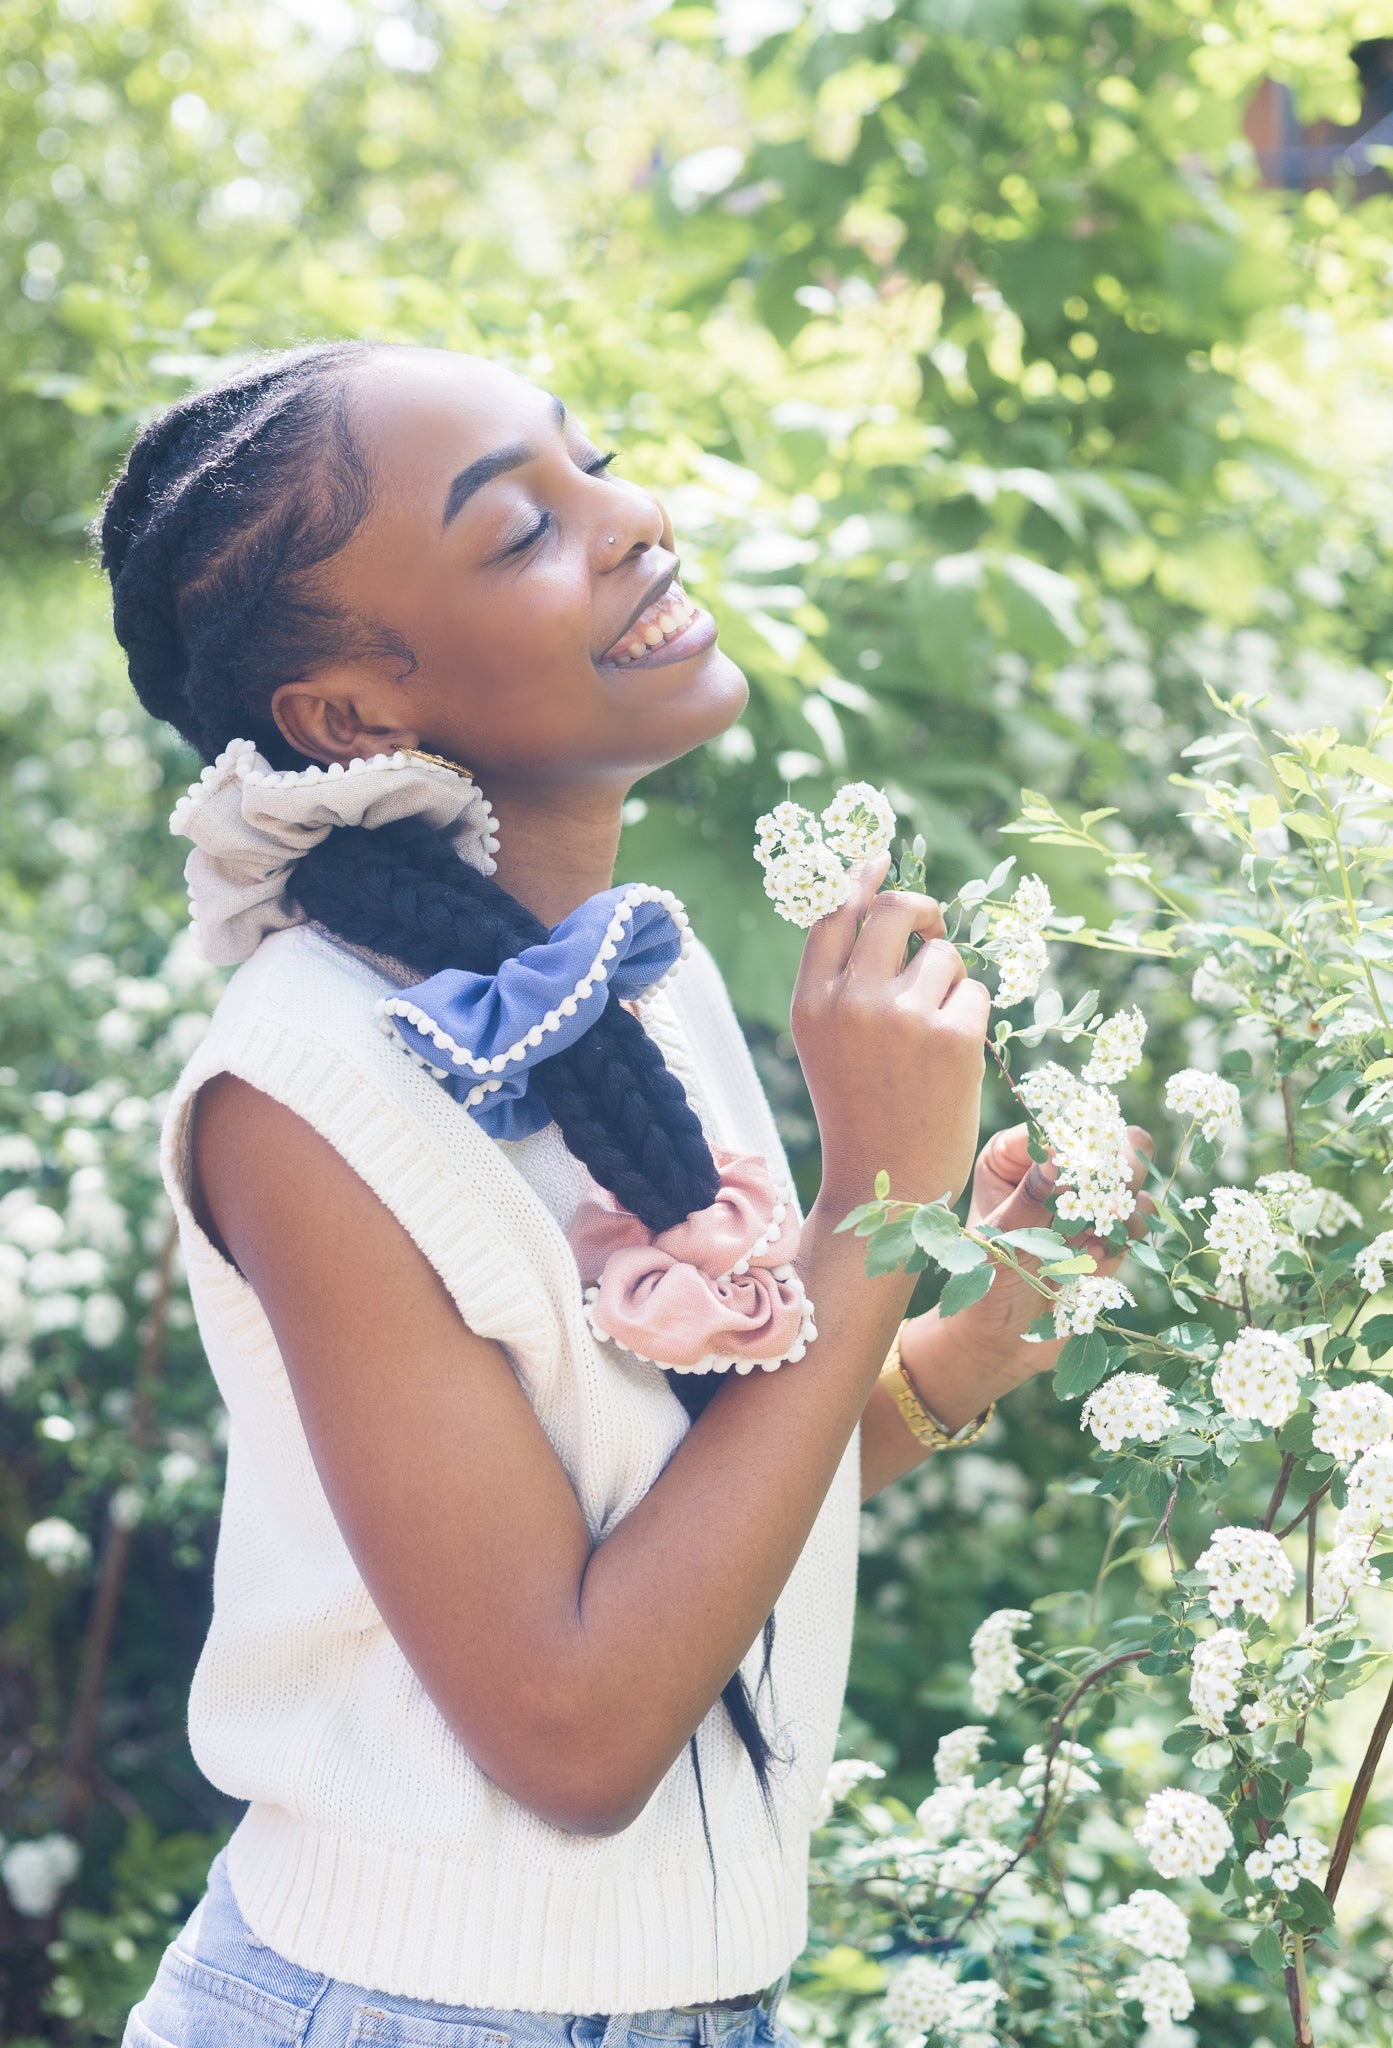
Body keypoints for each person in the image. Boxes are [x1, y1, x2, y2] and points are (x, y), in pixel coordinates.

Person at [100, 342, 1143, 2048]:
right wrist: (874, 1189)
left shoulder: (624, 978)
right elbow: (575, 1728)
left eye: (596, 466)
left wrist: (961, 1345)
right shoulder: (307, 1085)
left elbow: (676, 1505)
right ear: (353, 715)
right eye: (521, 529)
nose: (636, 519)